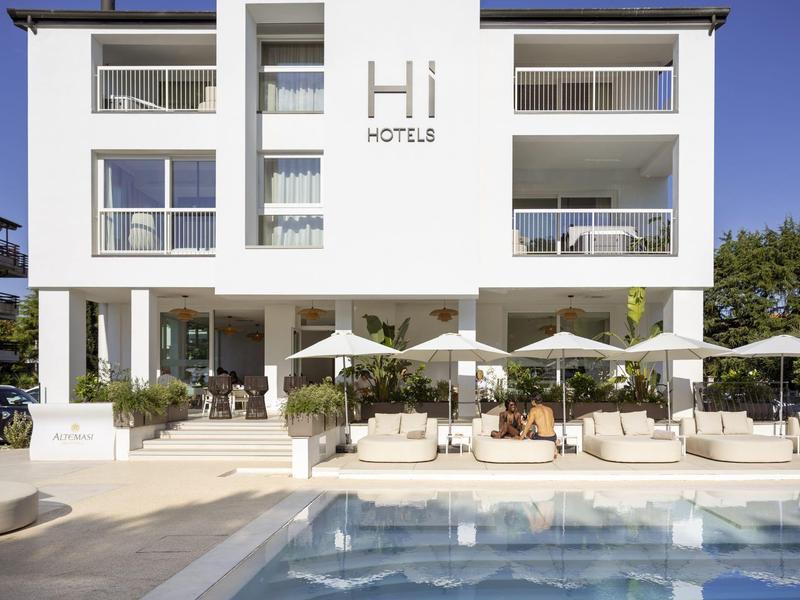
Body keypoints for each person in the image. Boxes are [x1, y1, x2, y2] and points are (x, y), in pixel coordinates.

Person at [520, 393, 559, 458]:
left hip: (541, 437)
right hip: (553, 436)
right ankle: (554, 445)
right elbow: (552, 424)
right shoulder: (550, 409)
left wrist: (521, 437)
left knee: (528, 432)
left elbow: (528, 425)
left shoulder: (533, 410)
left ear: (533, 401)